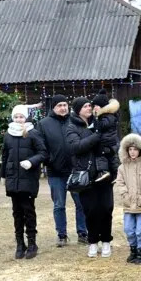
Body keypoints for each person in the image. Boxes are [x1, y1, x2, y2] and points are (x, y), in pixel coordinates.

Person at [67, 98, 116, 257]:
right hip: (85, 176)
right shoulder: (72, 127)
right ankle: (93, 242)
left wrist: (109, 149)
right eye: (85, 106)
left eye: (90, 105)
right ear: (78, 109)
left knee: (106, 208)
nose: (89, 108)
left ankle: (107, 241)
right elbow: (76, 147)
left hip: (104, 174)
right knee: (90, 210)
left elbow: (113, 143)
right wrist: (96, 136)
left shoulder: (101, 122)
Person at [37, 95, 87, 246]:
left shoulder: (75, 121)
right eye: (59, 105)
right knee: (59, 205)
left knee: (81, 204)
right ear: (53, 107)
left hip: (76, 170)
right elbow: (41, 146)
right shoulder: (44, 124)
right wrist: (48, 161)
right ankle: (62, 234)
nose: (63, 108)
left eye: (65, 105)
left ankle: (82, 232)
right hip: (56, 172)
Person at [1, 104, 47, 259]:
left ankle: (32, 243)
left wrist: (31, 162)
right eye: (16, 117)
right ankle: (20, 243)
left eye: (21, 117)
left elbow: (43, 153)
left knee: (28, 211)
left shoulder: (33, 133)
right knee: (17, 213)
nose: (18, 120)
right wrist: (3, 175)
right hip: (13, 179)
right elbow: (5, 156)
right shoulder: (8, 135)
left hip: (28, 179)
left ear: (25, 118)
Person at [116, 132, 141, 264]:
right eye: (130, 149)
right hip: (128, 204)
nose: (132, 152)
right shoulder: (122, 167)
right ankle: (133, 250)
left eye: (135, 149)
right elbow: (120, 183)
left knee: (140, 230)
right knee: (128, 229)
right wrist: (125, 196)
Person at [91, 93, 121, 182]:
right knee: (112, 158)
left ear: (102, 106)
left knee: (100, 154)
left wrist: (96, 119)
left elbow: (103, 125)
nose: (95, 107)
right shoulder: (110, 115)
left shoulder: (107, 116)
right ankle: (116, 174)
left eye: (97, 105)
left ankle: (103, 171)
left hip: (106, 141)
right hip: (110, 141)